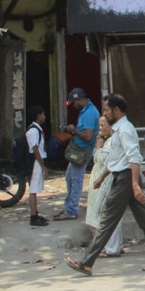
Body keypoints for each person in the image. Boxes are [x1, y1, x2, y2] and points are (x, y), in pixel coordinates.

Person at [65, 93, 145, 276]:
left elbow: (133, 158)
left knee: (107, 220)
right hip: (123, 177)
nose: (104, 113)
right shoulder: (118, 129)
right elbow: (117, 158)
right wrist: (102, 177)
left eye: (106, 110)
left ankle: (86, 262)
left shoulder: (125, 129)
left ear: (116, 110)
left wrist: (135, 185)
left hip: (126, 179)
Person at [54, 87, 100, 221]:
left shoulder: (90, 113)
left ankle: (72, 210)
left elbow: (88, 137)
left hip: (82, 152)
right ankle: (69, 207)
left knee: (76, 181)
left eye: (74, 103)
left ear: (79, 99)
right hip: (78, 150)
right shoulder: (85, 110)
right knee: (69, 178)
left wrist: (73, 130)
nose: (73, 106)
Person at [84, 113, 124, 258]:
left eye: (102, 126)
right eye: (99, 126)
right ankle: (116, 246)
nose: (100, 129)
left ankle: (112, 248)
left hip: (108, 183)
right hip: (103, 182)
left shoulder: (113, 141)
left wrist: (99, 145)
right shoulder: (107, 141)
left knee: (108, 215)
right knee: (111, 215)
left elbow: (103, 160)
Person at [25, 106, 49, 227]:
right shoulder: (33, 131)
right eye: (43, 114)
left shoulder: (37, 130)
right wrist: (42, 165)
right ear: (38, 116)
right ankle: (33, 216)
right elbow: (34, 149)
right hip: (35, 163)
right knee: (33, 189)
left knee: (35, 189)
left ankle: (35, 213)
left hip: (37, 162)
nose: (45, 116)